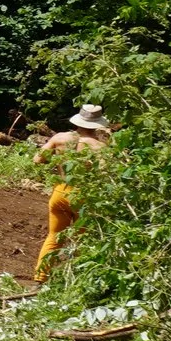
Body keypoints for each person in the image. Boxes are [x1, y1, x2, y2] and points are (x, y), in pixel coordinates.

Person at [32, 103, 113, 281]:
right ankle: (76, 281)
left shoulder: (60, 138)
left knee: (54, 236)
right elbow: (107, 172)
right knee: (82, 240)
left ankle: (41, 277)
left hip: (60, 191)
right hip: (83, 195)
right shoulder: (100, 147)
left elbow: (38, 159)